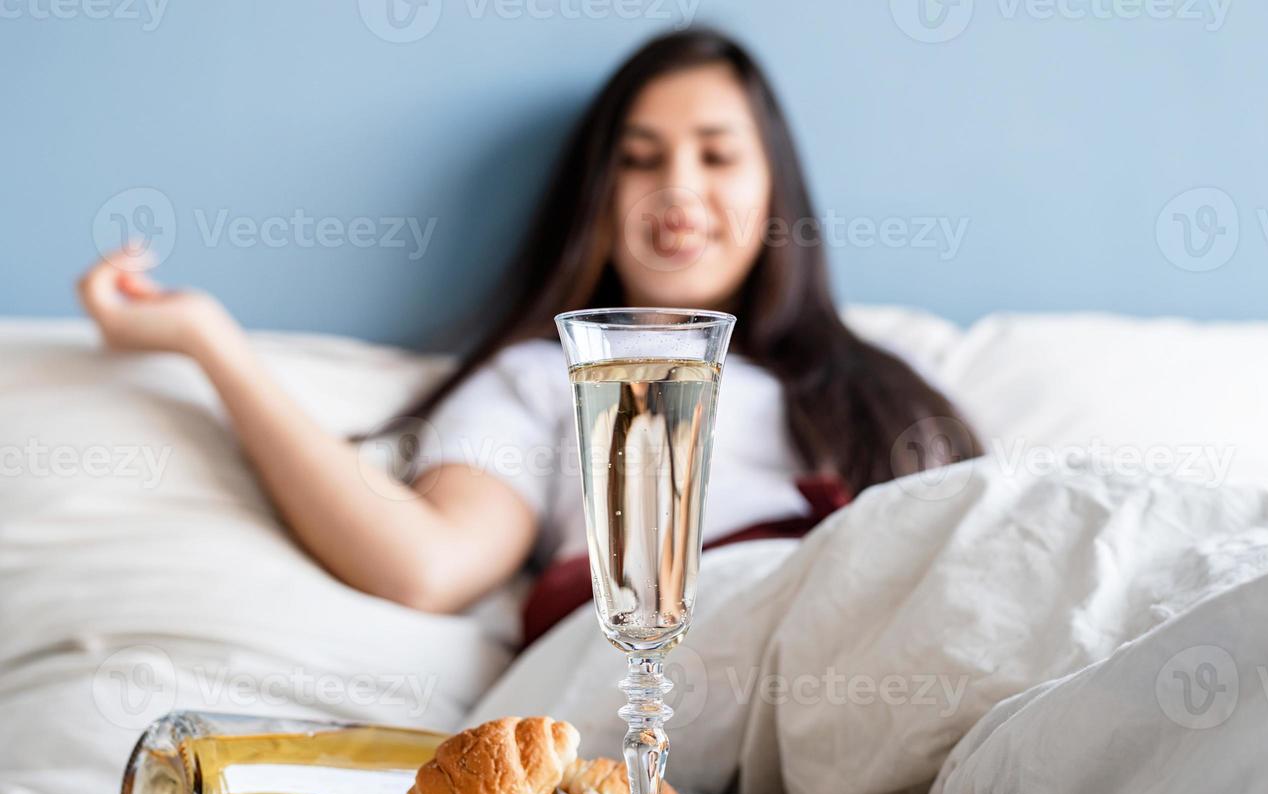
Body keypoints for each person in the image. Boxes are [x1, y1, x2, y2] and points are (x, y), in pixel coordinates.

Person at [75, 29, 980, 633]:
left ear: (774, 187)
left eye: (716, 153)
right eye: (638, 160)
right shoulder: (545, 380)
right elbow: (424, 566)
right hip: (710, 655)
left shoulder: (885, 378)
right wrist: (209, 342)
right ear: (597, 200)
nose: (677, 187)